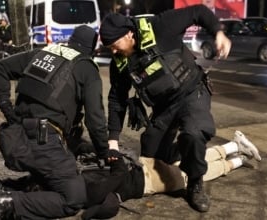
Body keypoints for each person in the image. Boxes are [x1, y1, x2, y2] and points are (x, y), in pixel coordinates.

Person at [99, 5, 232, 212]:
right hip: (164, 107)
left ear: (129, 34)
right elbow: (117, 99)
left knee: (194, 134)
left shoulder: (160, 26)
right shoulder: (120, 62)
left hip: (191, 92)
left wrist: (219, 32)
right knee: (151, 158)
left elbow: (198, 11)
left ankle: (195, 182)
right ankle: (185, 151)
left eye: (115, 45)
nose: (113, 51)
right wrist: (113, 141)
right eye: (109, 48)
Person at [0, 130, 261, 219]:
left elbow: (107, 196)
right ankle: (237, 148)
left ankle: (236, 150)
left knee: (198, 171)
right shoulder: (80, 187)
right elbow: (105, 203)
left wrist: (113, 166)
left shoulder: (84, 191)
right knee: (197, 168)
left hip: (146, 177)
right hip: (145, 173)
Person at [0, 25, 111, 219]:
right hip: (44, 139)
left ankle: (2, 187)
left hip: (18, 135)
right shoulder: (86, 67)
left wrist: (5, 104)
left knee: (52, 174)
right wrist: (103, 152)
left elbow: (0, 67)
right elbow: (95, 119)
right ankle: (4, 204)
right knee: (73, 198)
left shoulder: (43, 53)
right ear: (92, 49)